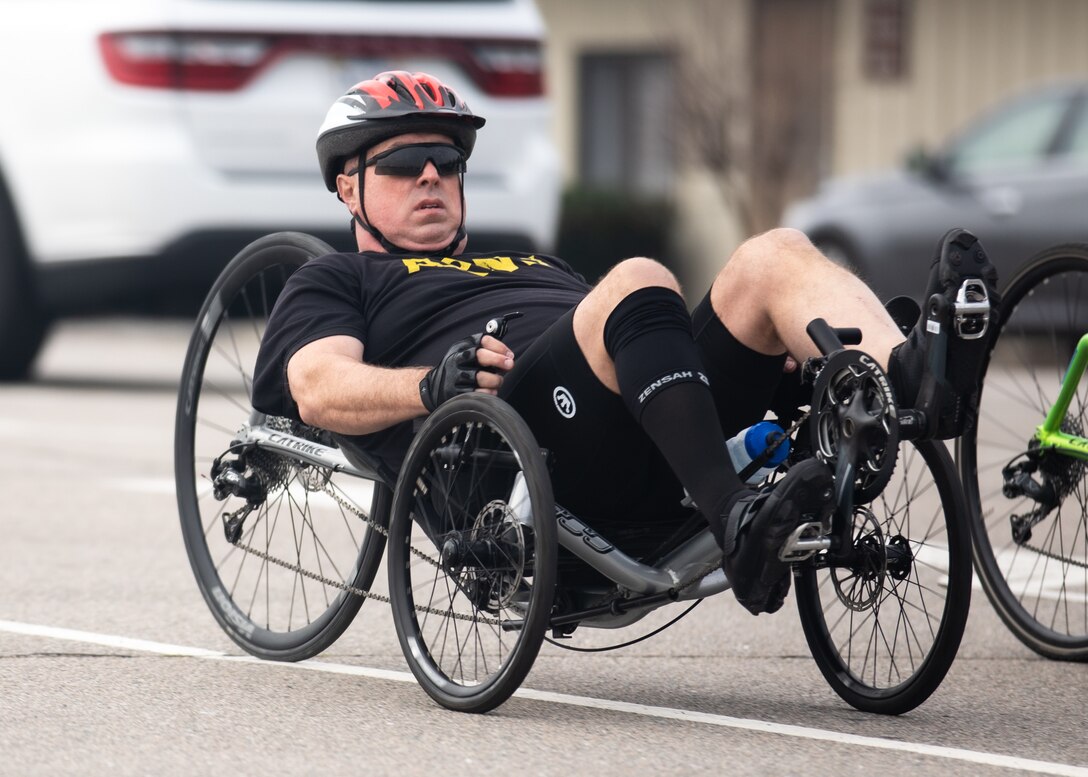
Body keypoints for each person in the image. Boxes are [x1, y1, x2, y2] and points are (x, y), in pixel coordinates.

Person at [252, 71, 1000, 616]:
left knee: (772, 254)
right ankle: (735, 520)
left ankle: (911, 384)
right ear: (348, 187)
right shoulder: (338, 278)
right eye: (400, 165)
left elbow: (639, 334)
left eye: (446, 163)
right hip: (527, 451)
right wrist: (428, 386)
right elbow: (319, 386)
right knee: (639, 277)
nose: (430, 176)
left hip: (651, 411)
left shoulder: (532, 261)